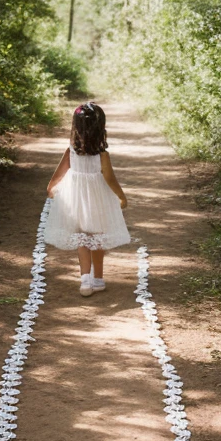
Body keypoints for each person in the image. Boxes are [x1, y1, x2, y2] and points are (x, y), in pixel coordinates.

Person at [44, 102, 130, 296]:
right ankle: (97, 279)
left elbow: (61, 169)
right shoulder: (102, 153)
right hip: (97, 197)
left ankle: (85, 280)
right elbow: (109, 177)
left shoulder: (72, 149)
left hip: (77, 196)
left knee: (82, 236)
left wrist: (51, 186)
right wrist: (121, 195)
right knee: (97, 237)